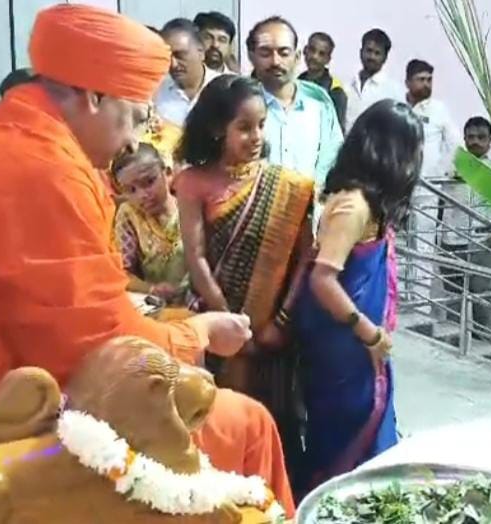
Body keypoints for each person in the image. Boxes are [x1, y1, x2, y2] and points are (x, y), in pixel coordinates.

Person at [0, 5, 294, 515]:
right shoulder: (43, 167)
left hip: (1, 384)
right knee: (247, 423)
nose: (132, 141)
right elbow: (106, 352)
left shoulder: (8, 135)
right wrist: (199, 333)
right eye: (135, 116)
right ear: (95, 96)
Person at [175, 74, 314, 451]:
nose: (256, 137)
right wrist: (229, 323)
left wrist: (279, 322)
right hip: (215, 327)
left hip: (273, 333)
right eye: (244, 128)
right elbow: (196, 257)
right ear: (217, 129)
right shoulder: (192, 182)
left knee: (275, 426)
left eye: (262, 126)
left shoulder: (289, 187)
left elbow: (305, 257)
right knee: (217, 427)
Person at [294, 99, 424, 491]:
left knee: (371, 423)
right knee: (345, 431)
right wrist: (367, 332)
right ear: (389, 152)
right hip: (342, 343)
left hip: (359, 340)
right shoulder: (352, 206)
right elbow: (323, 280)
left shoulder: (373, 205)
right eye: (412, 151)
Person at [246, 16, 343, 192]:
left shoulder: (319, 103)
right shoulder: (240, 104)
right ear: (252, 57)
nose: (276, 61)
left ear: (297, 56)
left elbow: (333, 159)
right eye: (266, 53)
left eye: (284, 53)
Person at [404, 59, 460, 310]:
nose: (426, 84)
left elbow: (455, 147)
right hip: (397, 188)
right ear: (408, 81)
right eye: (421, 79)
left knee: (423, 247)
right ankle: (398, 300)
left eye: (429, 80)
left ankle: (420, 306)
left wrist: (438, 173)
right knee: (397, 244)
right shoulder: (397, 106)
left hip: (427, 189)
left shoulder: (439, 110)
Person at [440, 116, 491, 325]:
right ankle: (452, 343)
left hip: (483, 242)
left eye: (481, 137)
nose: (475, 141)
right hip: (451, 239)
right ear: (465, 138)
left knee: (483, 303)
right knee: (453, 303)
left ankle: (484, 343)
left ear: (490, 140)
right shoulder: (454, 162)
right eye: (471, 137)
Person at [112, 143, 190, 304]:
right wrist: (151, 289)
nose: (142, 195)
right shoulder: (130, 214)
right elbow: (120, 272)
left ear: (167, 173)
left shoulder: (190, 204)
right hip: (156, 306)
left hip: (198, 302)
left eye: (149, 182)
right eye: (131, 190)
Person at [154, 18, 219, 127]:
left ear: (201, 52)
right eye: (166, 56)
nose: (173, 64)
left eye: (180, 55)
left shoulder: (228, 89)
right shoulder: (156, 94)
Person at [346, 28, 402, 129]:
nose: (372, 57)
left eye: (377, 53)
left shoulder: (394, 91)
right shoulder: (348, 86)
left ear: (385, 58)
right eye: (369, 51)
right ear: (361, 52)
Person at [298, 32, 348, 132]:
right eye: (312, 50)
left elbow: (337, 130)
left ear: (328, 59)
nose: (315, 57)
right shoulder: (296, 83)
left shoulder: (334, 90)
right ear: (305, 50)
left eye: (321, 54)